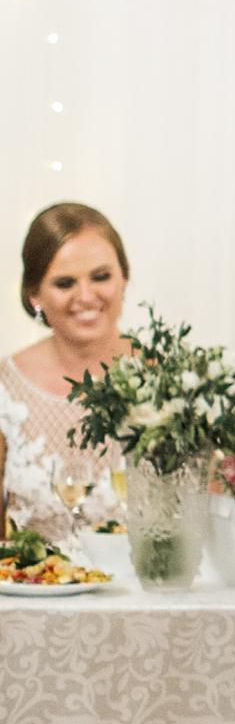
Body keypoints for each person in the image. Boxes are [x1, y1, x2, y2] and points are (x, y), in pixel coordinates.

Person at [0, 204, 131, 546]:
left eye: (100, 277)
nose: (85, 296)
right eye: (64, 283)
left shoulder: (171, 381)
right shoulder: (5, 387)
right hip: (31, 579)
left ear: (124, 278)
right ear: (34, 295)